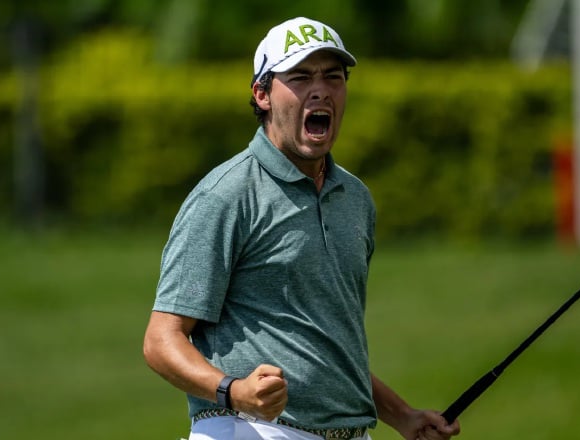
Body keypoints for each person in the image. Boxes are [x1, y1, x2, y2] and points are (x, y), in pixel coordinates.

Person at [143, 17, 461, 440]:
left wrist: (401, 415)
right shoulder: (225, 195)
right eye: (300, 77)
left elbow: (327, 344)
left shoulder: (355, 197)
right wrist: (234, 391)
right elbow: (161, 341)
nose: (320, 89)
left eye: (334, 77)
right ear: (263, 95)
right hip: (251, 429)